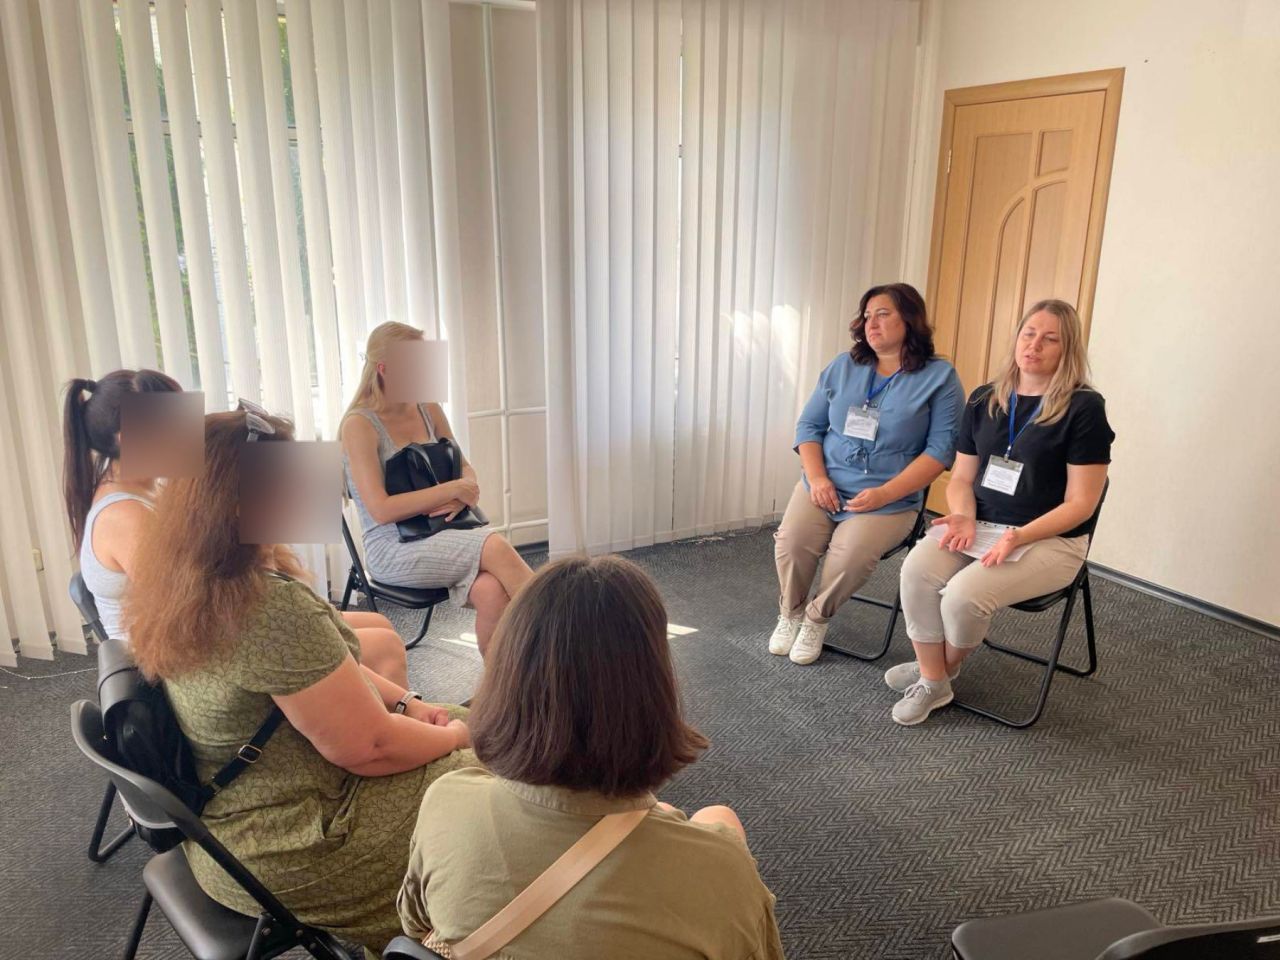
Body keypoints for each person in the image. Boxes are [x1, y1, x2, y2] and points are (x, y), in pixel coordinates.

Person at [124, 409, 477, 955]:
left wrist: (409, 703)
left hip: (232, 827)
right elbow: (370, 748)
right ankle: (453, 930)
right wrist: (452, 737)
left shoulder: (185, 576)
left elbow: (326, 669)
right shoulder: (265, 606)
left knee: (484, 730)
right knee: (496, 775)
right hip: (292, 843)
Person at [398, 554, 784, 959]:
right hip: (688, 871)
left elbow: (415, 923)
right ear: (651, 686)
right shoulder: (720, 871)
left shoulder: (447, 800)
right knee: (719, 818)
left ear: (507, 676)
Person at [61, 372, 410, 685]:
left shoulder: (148, 493)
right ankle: (380, 727)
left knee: (378, 627)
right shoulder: (126, 517)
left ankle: (374, 720)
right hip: (177, 668)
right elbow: (190, 603)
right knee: (383, 646)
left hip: (204, 633)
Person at [890, 299, 1114, 726]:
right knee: (916, 570)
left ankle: (935, 672)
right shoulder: (985, 399)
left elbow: (1081, 503)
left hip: (1050, 540)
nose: (1034, 345)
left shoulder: (1084, 408)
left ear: (1068, 348)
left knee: (963, 597)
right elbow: (961, 478)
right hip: (982, 525)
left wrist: (1020, 535)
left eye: (1050, 339)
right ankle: (935, 679)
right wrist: (963, 515)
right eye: (1028, 334)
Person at [771, 283, 964, 665]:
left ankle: (816, 618)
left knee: (850, 555)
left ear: (909, 319)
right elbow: (809, 427)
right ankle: (790, 613)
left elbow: (940, 451)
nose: (870, 324)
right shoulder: (843, 366)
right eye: (866, 316)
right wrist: (818, 478)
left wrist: (885, 493)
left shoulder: (940, 377)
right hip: (824, 484)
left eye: (883, 314)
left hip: (887, 499)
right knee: (792, 543)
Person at [341, 321, 533, 657]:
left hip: (444, 530)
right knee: (495, 545)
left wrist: (462, 493)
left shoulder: (428, 408)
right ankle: (570, 640)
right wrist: (452, 490)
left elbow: (465, 468)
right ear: (384, 369)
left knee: (491, 591)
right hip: (392, 547)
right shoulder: (359, 425)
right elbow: (381, 509)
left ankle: (502, 684)